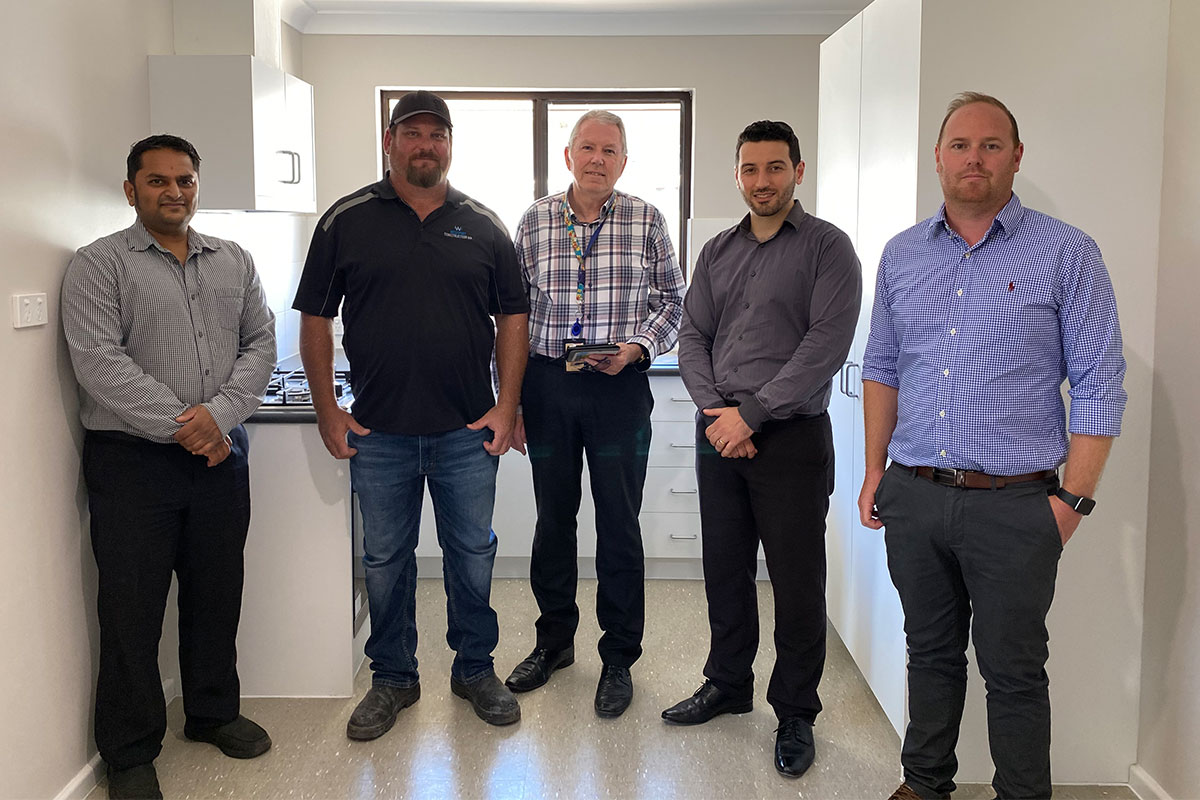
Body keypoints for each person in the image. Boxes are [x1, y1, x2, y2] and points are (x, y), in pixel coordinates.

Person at [858, 93, 1126, 800]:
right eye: (959, 144)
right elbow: (883, 368)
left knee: (1012, 672)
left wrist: (1072, 501)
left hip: (1016, 505)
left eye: (990, 144)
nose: (973, 158)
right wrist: (874, 473)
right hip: (914, 494)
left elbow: (1101, 382)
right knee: (930, 654)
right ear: (938, 156)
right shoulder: (903, 254)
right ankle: (924, 785)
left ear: (1015, 156)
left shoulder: (1067, 251)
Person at [294, 91, 530, 735]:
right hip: (379, 432)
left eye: (438, 135)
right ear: (390, 140)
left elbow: (514, 314)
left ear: (450, 145)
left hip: (465, 430)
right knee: (386, 560)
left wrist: (506, 406)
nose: (426, 145)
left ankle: (474, 669)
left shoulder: (483, 224)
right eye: (413, 133)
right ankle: (393, 678)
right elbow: (315, 316)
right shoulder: (347, 219)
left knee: (471, 555)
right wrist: (327, 411)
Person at [61, 134, 276, 799]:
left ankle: (211, 712)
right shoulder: (98, 265)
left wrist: (220, 418)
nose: (173, 192)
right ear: (131, 190)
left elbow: (260, 343)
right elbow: (100, 366)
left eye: (184, 180)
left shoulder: (233, 260)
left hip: (220, 455)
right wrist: (191, 427)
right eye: (157, 181)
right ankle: (128, 752)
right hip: (132, 463)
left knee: (217, 592)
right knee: (131, 607)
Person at [667, 120, 862, 777]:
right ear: (738, 175)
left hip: (790, 436)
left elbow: (825, 345)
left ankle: (797, 712)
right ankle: (727, 684)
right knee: (723, 569)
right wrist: (717, 413)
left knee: (796, 581)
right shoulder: (719, 251)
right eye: (750, 170)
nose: (762, 182)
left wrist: (750, 415)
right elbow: (692, 335)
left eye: (775, 168)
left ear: (798, 171)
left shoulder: (829, 249)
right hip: (720, 429)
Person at [503, 110, 685, 718]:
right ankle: (554, 643)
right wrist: (512, 402)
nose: (598, 159)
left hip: (619, 390)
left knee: (619, 523)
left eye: (610, 150)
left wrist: (639, 347)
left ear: (624, 161)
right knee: (553, 521)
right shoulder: (533, 222)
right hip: (549, 388)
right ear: (568, 156)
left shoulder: (647, 220)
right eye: (588, 147)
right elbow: (511, 316)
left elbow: (673, 302)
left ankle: (618, 658)